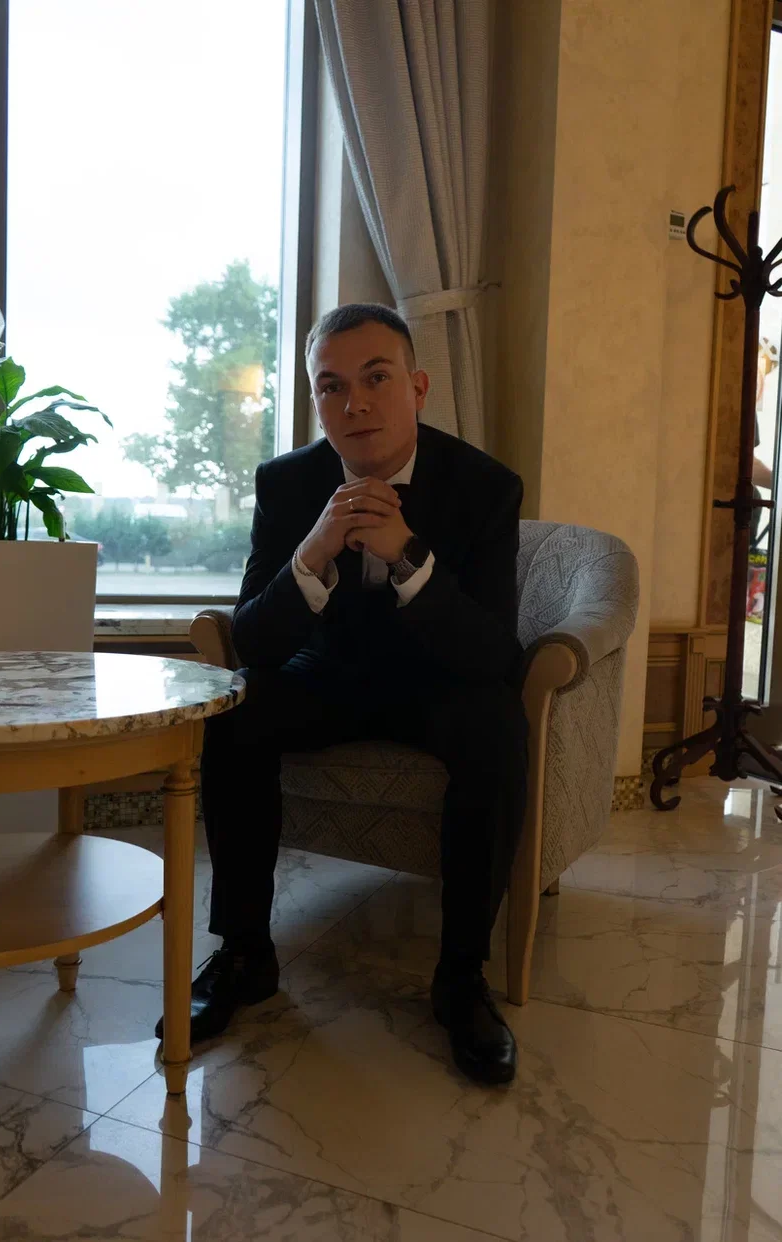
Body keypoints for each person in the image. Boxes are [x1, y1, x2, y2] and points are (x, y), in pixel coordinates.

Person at [156, 303, 528, 1085]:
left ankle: (461, 977)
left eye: (376, 378)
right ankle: (245, 953)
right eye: (332, 386)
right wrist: (315, 550)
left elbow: (495, 654)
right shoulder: (287, 483)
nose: (355, 402)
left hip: (438, 684)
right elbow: (255, 641)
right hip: (326, 677)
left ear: (418, 388)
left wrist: (409, 556)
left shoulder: (485, 488)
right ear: (316, 401)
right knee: (236, 712)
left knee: (497, 724)